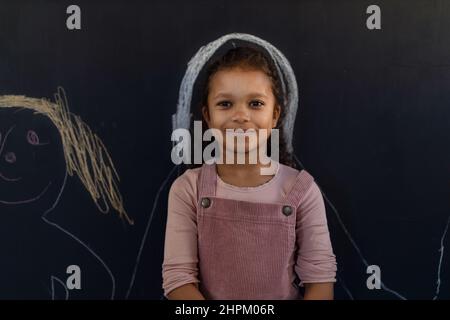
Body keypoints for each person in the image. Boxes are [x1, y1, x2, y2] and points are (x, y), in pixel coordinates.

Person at [163, 37, 336, 300]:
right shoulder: (188, 190)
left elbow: (320, 281)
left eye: (255, 104)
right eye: (225, 104)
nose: (241, 116)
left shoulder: (302, 191)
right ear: (207, 116)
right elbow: (178, 282)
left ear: (275, 115)